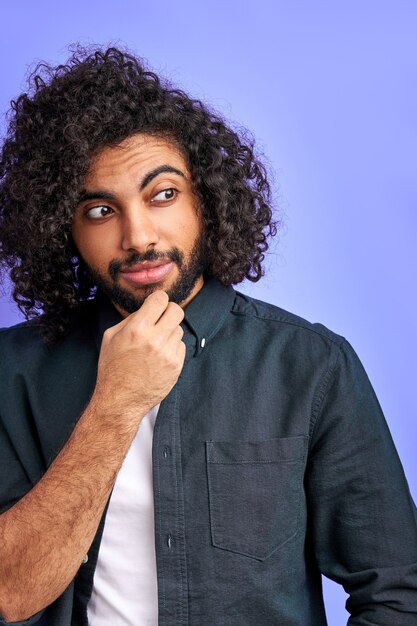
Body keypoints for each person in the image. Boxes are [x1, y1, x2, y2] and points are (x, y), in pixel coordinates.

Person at [0, 46, 416, 626]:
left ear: (207, 202)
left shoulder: (309, 365)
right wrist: (115, 406)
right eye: (99, 210)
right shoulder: (10, 373)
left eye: (162, 194)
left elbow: (398, 594)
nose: (138, 236)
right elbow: (9, 593)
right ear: (59, 229)